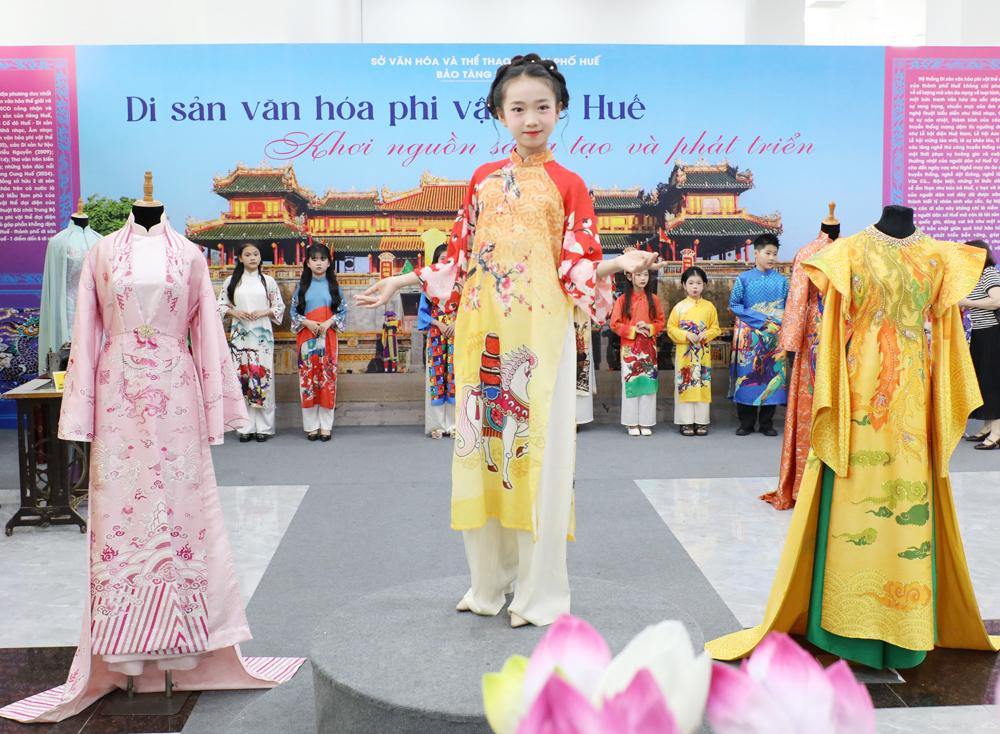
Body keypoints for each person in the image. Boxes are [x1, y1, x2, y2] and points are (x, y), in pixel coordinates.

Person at [355, 53, 661, 628]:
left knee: (537, 455)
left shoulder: (570, 184)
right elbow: (459, 258)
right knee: (484, 450)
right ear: (500, 114)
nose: (531, 119)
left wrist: (619, 262)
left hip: (542, 335)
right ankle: (488, 584)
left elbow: (576, 265)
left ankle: (538, 592)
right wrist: (400, 280)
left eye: (542, 107)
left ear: (560, 110)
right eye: (518, 109)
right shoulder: (482, 180)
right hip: (483, 330)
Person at [707, 207, 1000, 669]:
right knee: (857, 482)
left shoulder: (935, 254)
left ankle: (906, 620)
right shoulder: (849, 251)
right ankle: (845, 618)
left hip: (910, 387)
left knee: (908, 488)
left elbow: (945, 330)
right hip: (862, 386)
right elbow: (828, 325)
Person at [762, 223, 838, 509]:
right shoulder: (809, 252)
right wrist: (792, 343)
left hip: (839, 331)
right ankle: (806, 482)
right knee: (812, 398)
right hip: (817, 332)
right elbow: (797, 300)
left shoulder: (850, 250)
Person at [217, 242, 285, 442]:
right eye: (247, 255)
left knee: (263, 376)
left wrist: (264, 311)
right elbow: (220, 305)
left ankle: (264, 427)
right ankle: (244, 427)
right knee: (242, 376)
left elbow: (279, 306)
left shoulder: (268, 281)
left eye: (256, 254)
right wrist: (234, 312)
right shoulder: (231, 281)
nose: (252, 258)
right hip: (240, 335)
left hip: (262, 335)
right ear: (240, 258)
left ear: (260, 257)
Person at [729, 234, 789, 436]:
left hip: (774, 337)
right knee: (747, 375)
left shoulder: (781, 281)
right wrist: (760, 319)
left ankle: (767, 423)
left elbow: (788, 308)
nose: (772, 258)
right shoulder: (744, 279)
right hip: (749, 338)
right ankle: (746, 423)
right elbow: (735, 305)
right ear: (756, 253)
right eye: (767, 253)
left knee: (772, 375)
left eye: (775, 254)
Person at [291, 244, 347, 442]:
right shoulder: (302, 288)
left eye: (323, 259)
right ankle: (311, 426)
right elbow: (293, 313)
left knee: (327, 380)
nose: (318, 263)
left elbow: (342, 311)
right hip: (306, 337)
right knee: (308, 380)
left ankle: (326, 426)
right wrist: (306, 322)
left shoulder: (334, 287)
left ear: (329, 263)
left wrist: (329, 322)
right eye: (314, 259)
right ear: (307, 263)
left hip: (328, 337)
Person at [610, 267, 665, 436]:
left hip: (648, 348)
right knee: (631, 384)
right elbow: (614, 324)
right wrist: (634, 330)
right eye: (639, 274)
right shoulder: (622, 300)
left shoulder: (654, 299)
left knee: (648, 383)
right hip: (630, 349)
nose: (643, 278)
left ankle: (646, 422)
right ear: (629, 276)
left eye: (646, 274)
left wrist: (649, 327)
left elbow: (661, 322)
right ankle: (631, 423)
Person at [667, 266, 721, 436]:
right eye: (691, 283)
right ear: (684, 285)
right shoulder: (679, 308)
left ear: (704, 284)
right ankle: (685, 422)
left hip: (702, 354)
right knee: (685, 383)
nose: (695, 286)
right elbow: (671, 329)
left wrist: (706, 334)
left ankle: (701, 421)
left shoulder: (709, 307)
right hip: (685, 353)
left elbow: (716, 328)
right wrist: (686, 334)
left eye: (698, 283)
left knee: (701, 383)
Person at [958, 239, 1000, 449]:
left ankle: (997, 433)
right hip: (980, 332)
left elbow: (997, 300)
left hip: (992, 333)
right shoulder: (978, 276)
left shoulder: (989, 273)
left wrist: (968, 302)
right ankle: (988, 426)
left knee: (992, 382)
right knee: (983, 380)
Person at [418, 243, 456, 439]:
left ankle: (455, 425)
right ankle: (436, 426)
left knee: (455, 378)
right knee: (436, 379)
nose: (446, 262)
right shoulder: (428, 285)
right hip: (436, 335)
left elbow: (470, 308)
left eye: (450, 258)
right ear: (435, 262)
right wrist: (439, 324)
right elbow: (423, 314)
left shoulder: (462, 284)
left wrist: (457, 322)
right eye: (442, 258)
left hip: (457, 334)